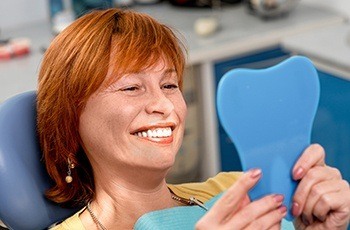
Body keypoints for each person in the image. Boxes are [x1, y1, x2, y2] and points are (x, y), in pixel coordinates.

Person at [36, 8, 350, 230]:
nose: (164, 105)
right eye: (132, 87)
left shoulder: (237, 192)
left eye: (170, 85)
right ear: (70, 119)